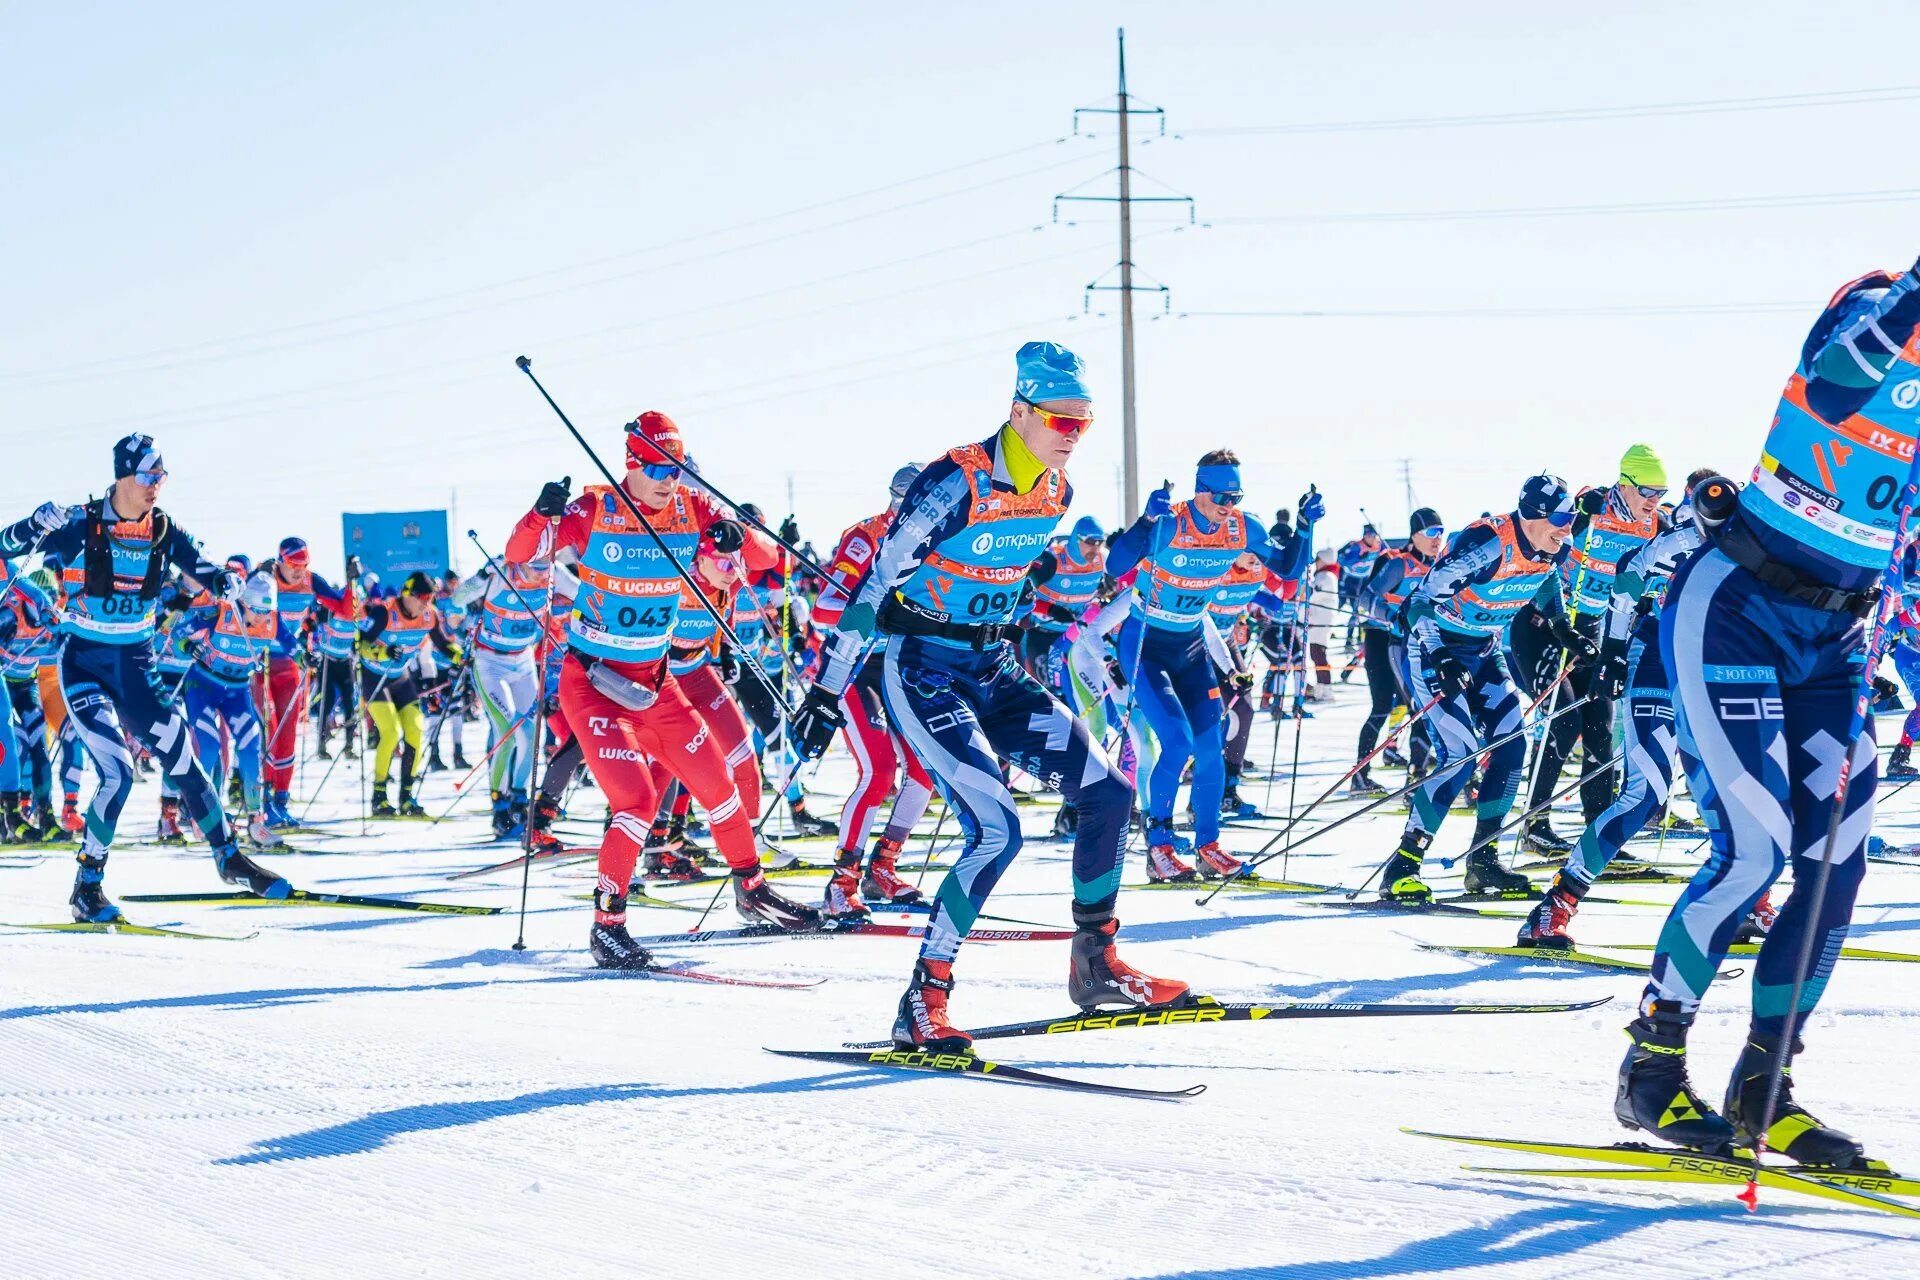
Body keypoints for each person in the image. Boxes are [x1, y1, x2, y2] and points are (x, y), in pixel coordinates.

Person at [792, 341, 1188, 1048]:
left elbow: (1003, 575)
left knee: (1108, 793)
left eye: (1083, 423)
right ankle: (923, 1001)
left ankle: (1095, 962)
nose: (1072, 435)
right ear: (1019, 411)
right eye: (1060, 420)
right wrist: (827, 690)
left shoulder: (1058, 494)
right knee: (997, 828)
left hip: (996, 669)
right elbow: (875, 587)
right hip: (921, 670)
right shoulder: (954, 481)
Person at [1614, 266, 1920, 1166]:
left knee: (1835, 863)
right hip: (1736, 606)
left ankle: (1764, 1083)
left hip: (1833, 642)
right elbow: (1835, 384)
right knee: (1755, 851)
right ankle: (1652, 1073)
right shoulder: (1868, 321)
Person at [507, 411, 820, 971]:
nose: (666, 478)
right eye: (654, 467)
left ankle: (751, 888)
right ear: (630, 463)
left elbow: (764, 558)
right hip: (595, 684)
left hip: (657, 681)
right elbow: (518, 552)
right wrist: (540, 513)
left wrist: (737, 536)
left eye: (673, 468)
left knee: (718, 784)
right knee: (637, 801)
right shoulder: (596, 508)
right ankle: (608, 926)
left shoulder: (692, 510)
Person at [0, 434, 287, 920]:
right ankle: (87, 887)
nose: (157, 486)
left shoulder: (163, 529)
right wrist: (32, 524)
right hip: (85, 665)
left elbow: (201, 567)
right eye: (150, 476)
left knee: (183, 759)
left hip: (136, 668)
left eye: (162, 477)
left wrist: (225, 582)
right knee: (117, 772)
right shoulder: (79, 523)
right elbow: (6, 546)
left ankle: (229, 858)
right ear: (124, 477)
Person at [1515, 471, 1773, 949]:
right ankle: (1554, 908)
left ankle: (1750, 905)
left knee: (1741, 789)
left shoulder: (1754, 553)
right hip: (1655, 661)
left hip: (1707, 671)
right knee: (1645, 794)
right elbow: (1625, 580)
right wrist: (1612, 651)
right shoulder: (1674, 543)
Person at [1105, 453, 1317, 882]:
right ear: (1200, 490)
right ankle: (1159, 848)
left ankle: (1208, 846)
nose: (1227, 504)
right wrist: (1145, 522)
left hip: (1191, 646)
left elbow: (1290, 567)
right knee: (1177, 744)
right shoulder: (1170, 523)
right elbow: (1115, 566)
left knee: (1211, 748)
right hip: (1145, 645)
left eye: (1235, 495)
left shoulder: (1243, 527)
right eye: (1221, 495)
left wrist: (1305, 526)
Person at [1372, 475, 1582, 902]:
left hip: (1485, 650)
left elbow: (1546, 581)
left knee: (1512, 747)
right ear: (1533, 515)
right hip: (1435, 646)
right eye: (1561, 519)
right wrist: (1440, 656)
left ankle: (1484, 862)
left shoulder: (1549, 548)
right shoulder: (1488, 544)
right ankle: (1402, 866)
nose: (1568, 529)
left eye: (1573, 519)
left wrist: (1563, 628)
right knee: (1461, 754)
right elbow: (1421, 601)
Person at [1512, 446, 1670, 855]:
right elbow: (1544, 546)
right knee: (1563, 723)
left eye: (1661, 492)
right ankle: (1534, 825)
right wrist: (1581, 508)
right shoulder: (1591, 509)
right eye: (1648, 491)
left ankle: (1597, 833)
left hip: (1593, 630)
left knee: (1601, 728)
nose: (1654, 500)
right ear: (1625, 483)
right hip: (1543, 625)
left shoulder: (1657, 525)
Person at [812, 464, 938, 918]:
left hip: (900, 666)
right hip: (855, 666)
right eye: (918, 503)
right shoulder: (866, 537)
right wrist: (873, 610)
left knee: (925, 771)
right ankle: (842, 881)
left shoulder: (936, 542)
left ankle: (882, 866)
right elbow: (823, 609)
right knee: (880, 772)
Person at [181, 572, 298, 847]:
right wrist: (189, 646)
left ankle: (257, 821)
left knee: (250, 746)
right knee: (209, 748)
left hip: (237, 691)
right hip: (203, 687)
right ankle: (201, 817)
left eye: (265, 611)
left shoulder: (272, 621)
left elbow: (293, 646)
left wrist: (307, 654)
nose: (260, 617)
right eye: (255, 609)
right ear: (243, 602)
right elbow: (180, 632)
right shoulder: (221, 612)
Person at [454, 549, 553, 840]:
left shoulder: (552, 574)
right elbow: (459, 598)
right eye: (534, 566)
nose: (540, 573)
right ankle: (500, 805)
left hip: (523, 663)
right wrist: (483, 575)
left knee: (532, 732)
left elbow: (582, 590)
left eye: (544, 566)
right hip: (489, 663)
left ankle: (520, 797)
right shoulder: (501, 576)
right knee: (506, 730)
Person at [258, 537, 355, 827]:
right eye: (293, 565)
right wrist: (298, 650)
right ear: (280, 562)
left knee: (287, 734)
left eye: (304, 564)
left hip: (289, 665)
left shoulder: (311, 581)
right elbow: (270, 621)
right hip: (259, 664)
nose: (299, 571)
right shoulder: (265, 581)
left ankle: (280, 801)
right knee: (267, 730)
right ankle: (260, 801)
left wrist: (351, 584)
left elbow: (346, 611)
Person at [1352, 508, 1445, 796]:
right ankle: (1361, 775)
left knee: (1422, 706)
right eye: (1431, 532)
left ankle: (1416, 773)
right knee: (1386, 705)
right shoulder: (1398, 565)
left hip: (1419, 643)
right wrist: (1391, 616)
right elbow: (1365, 599)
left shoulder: (1441, 566)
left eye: (1441, 531)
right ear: (1414, 535)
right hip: (1387, 640)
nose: (1437, 538)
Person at [357, 572, 460, 817]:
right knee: (391, 732)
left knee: (415, 730)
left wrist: (461, 655)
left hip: (401, 679)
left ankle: (406, 797)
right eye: (422, 597)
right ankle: (379, 796)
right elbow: (360, 643)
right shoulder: (384, 613)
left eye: (430, 596)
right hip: (374, 678)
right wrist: (381, 653)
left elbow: (443, 644)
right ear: (407, 595)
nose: (426, 601)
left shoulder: (429, 616)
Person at [1022, 515, 1109, 691]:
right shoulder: (1052, 560)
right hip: (1044, 634)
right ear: (1076, 539)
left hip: (1077, 636)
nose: (1096, 547)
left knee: (1079, 693)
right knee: (1049, 692)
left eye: (1101, 542)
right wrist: (1050, 609)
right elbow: (1020, 596)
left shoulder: (1102, 559)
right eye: (1091, 541)